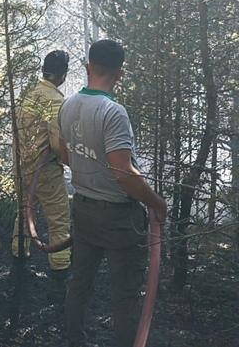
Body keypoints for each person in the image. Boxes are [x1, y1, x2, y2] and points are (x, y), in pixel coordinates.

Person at [60, 39, 167, 347]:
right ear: (120, 74)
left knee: (79, 284)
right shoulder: (112, 112)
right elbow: (122, 173)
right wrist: (156, 203)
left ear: (87, 66)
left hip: (83, 208)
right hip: (119, 218)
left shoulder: (68, 105)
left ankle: (73, 341)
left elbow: (66, 155)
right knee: (125, 295)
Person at [11, 50, 72, 285]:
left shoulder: (28, 96)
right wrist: (72, 163)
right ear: (63, 74)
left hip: (22, 168)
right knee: (59, 221)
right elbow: (57, 144)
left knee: (23, 215)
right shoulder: (55, 101)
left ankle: (18, 266)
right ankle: (60, 274)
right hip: (45, 171)